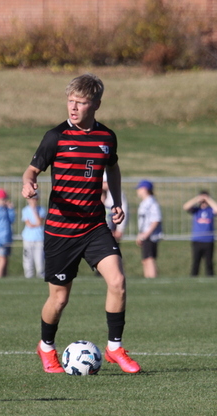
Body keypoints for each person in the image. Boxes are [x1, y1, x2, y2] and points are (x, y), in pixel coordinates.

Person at [21, 73, 141, 374]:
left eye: (81, 103)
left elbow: (112, 168)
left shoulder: (106, 137)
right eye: (70, 101)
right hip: (61, 231)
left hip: (94, 226)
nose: (73, 108)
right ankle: (46, 347)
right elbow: (31, 171)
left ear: (96, 104)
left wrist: (116, 202)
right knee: (59, 298)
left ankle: (114, 347)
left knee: (118, 281)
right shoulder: (55, 137)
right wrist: (28, 185)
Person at [183, 190, 217, 277]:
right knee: (196, 262)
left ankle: (210, 279)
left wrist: (208, 199)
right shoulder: (196, 210)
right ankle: (193, 278)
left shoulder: (210, 210)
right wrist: (197, 199)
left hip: (208, 240)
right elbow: (185, 207)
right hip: (197, 240)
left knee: (209, 263)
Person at [135, 180, 162, 279]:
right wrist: (140, 234)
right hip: (145, 235)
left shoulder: (152, 202)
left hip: (151, 235)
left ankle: (152, 278)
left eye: (139, 189)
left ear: (145, 189)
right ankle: (148, 278)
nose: (138, 191)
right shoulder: (145, 203)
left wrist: (146, 234)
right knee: (145, 259)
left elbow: (156, 220)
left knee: (149, 258)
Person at [21, 191, 46, 279]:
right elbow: (29, 224)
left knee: (39, 258)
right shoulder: (25, 210)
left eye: (35, 199)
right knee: (28, 259)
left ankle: (41, 274)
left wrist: (34, 211)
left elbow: (39, 222)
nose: (33, 201)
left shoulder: (42, 210)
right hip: (28, 238)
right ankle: (29, 275)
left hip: (39, 238)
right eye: (31, 199)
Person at [102, 175, 128, 241]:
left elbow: (123, 210)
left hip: (113, 230)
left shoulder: (117, 194)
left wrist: (120, 229)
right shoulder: (101, 193)